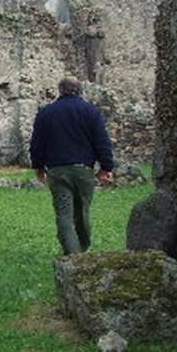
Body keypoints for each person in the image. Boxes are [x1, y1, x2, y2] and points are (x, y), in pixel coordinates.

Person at [28, 76, 114, 254]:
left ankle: (72, 255)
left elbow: (37, 143)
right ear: (79, 90)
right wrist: (106, 167)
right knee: (82, 213)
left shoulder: (46, 113)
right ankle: (81, 251)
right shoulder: (91, 112)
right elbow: (101, 141)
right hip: (83, 170)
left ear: (60, 90)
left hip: (57, 170)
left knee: (64, 214)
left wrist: (38, 167)